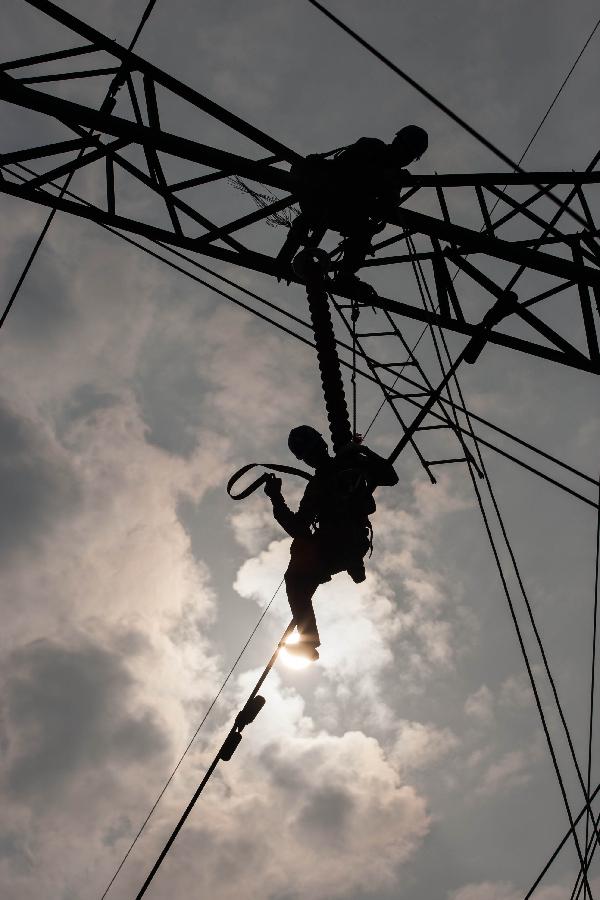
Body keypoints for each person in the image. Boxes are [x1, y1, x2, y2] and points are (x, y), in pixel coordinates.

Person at [264, 426, 398, 661]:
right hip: (349, 544)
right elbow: (389, 476)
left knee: (296, 579)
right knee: (302, 565)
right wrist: (361, 452)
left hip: (335, 546)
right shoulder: (349, 464)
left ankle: (308, 640)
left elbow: (298, 528)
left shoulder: (327, 479)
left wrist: (276, 497)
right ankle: (352, 562)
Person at [278, 125, 429, 294]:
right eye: (406, 152)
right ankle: (287, 257)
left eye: (410, 156)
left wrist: (395, 183)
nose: (405, 158)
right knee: (313, 218)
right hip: (325, 197)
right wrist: (388, 178)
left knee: (363, 233)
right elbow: (348, 170)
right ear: (396, 142)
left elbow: (385, 207)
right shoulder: (373, 147)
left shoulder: (394, 174)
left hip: (343, 211)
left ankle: (344, 276)